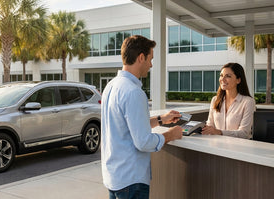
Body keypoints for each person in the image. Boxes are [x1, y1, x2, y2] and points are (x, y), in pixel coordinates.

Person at [101, 35, 183, 199]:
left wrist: (161, 119)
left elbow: (127, 126)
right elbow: (143, 142)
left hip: (115, 177)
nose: (151, 64)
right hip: (131, 181)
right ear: (141, 57)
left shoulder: (111, 86)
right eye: (150, 59)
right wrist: (170, 134)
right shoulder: (134, 92)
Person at [202, 62, 255, 139]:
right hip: (216, 147)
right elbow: (210, 125)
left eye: (228, 76)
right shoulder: (215, 100)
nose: (222, 79)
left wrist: (219, 132)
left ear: (238, 80)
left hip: (239, 148)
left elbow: (244, 133)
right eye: (221, 76)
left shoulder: (248, 102)